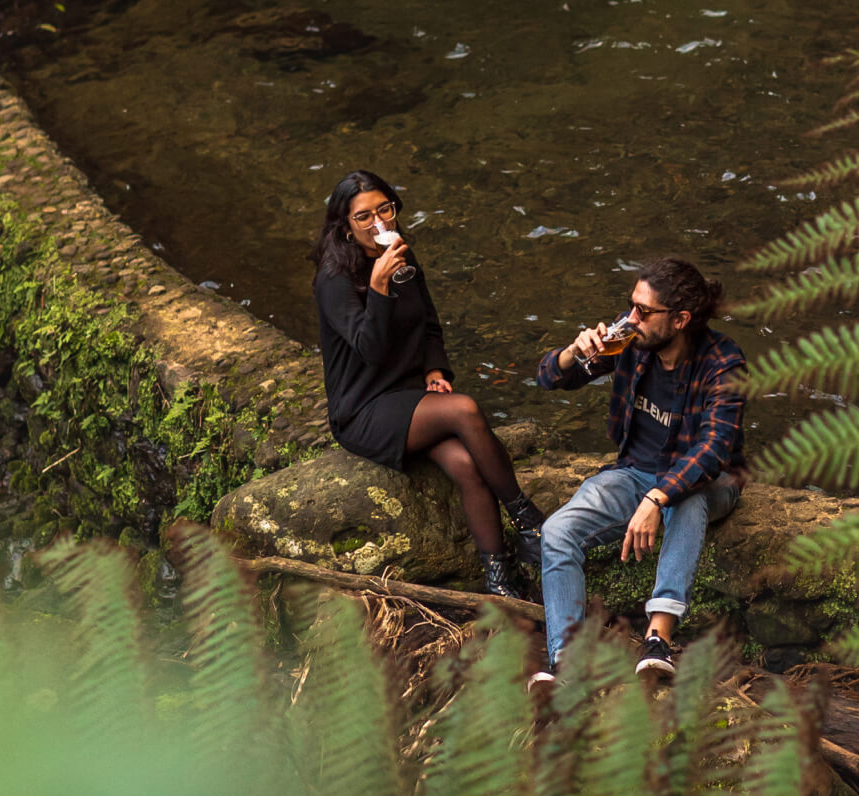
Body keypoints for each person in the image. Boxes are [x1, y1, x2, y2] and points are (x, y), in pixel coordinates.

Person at [311, 170, 547, 598]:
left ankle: (500, 580)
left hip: (411, 393)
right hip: (363, 407)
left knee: (466, 466)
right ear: (345, 226)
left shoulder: (403, 253)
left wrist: (435, 372)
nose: (379, 223)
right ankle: (529, 522)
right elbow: (369, 349)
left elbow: (429, 323)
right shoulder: (334, 279)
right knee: (464, 409)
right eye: (364, 217)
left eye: (386, 209)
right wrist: (379, 287)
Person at [531, 256, 748, 683]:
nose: (630, 318)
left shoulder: (723, 362)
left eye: (643, 311)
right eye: (631, 305)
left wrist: (658, 496)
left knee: (688, 497)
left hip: (708, 482)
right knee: (557, 532)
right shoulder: (631, 338)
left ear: (681, 319)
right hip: (632, 474)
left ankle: (658, 640)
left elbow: (713, 451)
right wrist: (575, 353)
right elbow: (549, 380)